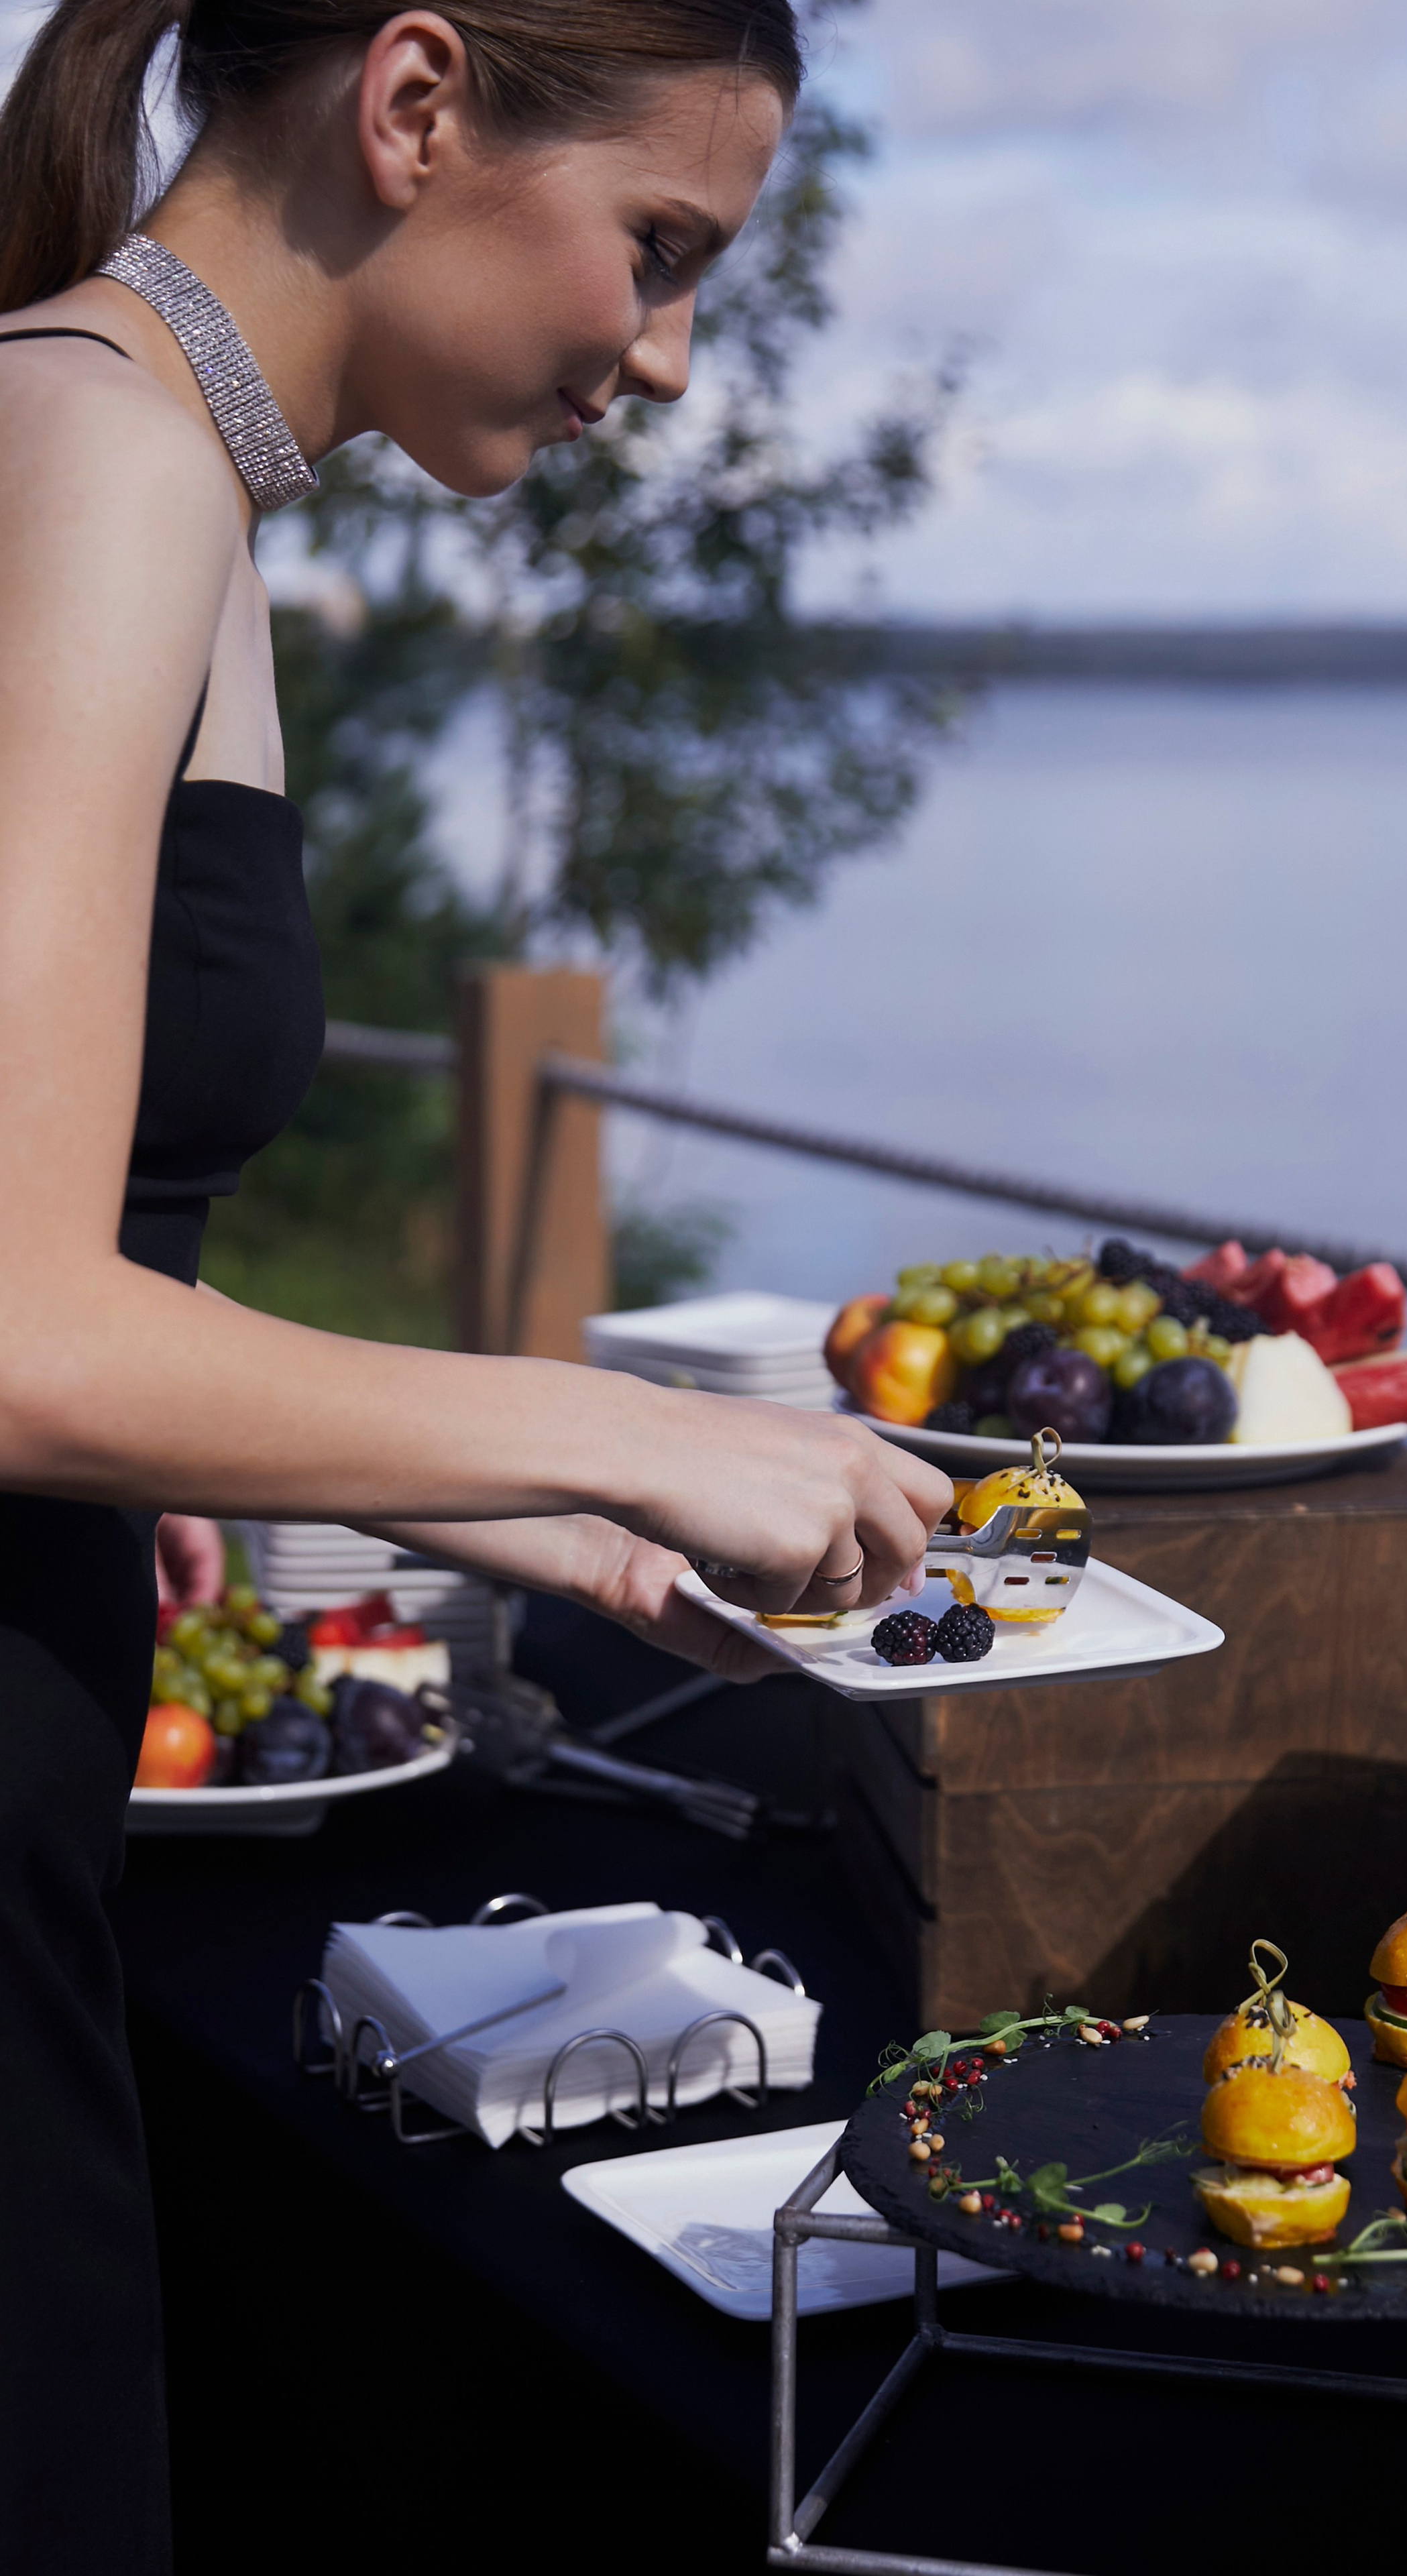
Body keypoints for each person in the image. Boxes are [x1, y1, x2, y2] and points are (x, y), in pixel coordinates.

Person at [0, 2, 950, 2562]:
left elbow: (92, 1265)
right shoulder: (87, 448)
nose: (662, 354)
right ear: (415, 110)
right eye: (657, 251)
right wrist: (622, 1421)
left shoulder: (167, 465)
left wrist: (517, 1526)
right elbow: (10, 1328)